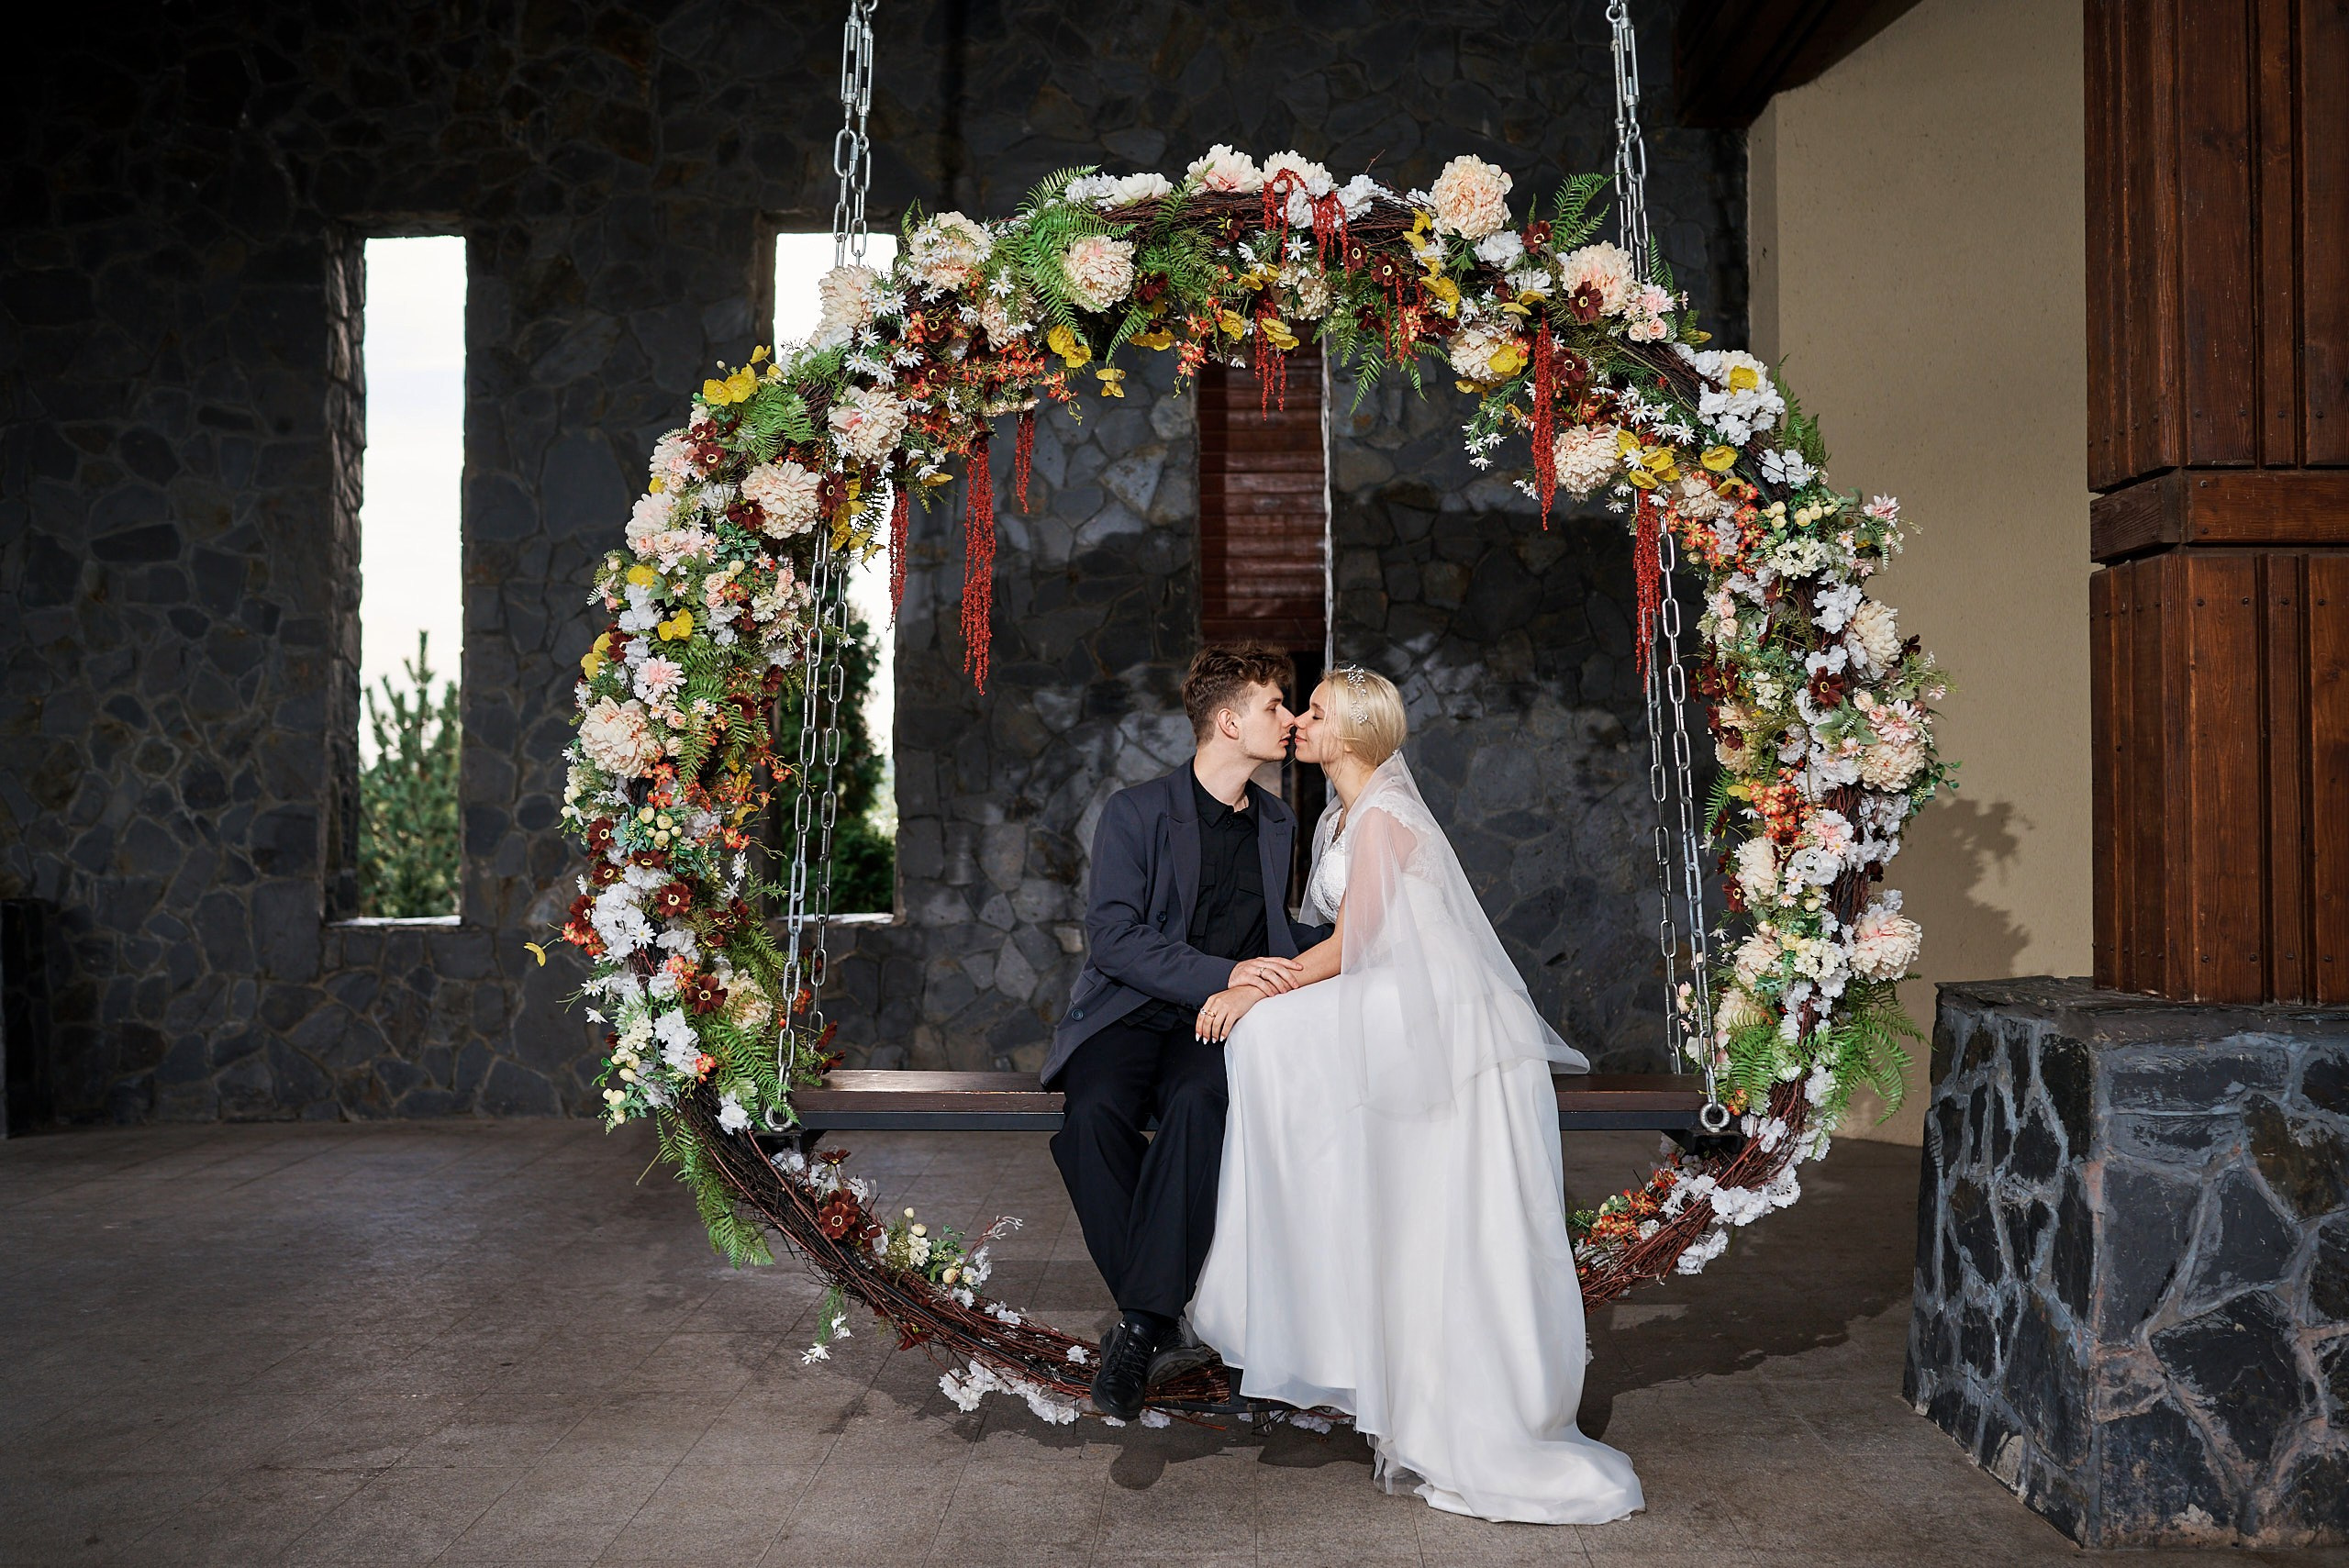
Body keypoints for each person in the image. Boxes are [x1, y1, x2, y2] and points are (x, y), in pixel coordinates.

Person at [1188, 666, 1645, 1526]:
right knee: (1273, 1041)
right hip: (1393, 991)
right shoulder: (1342, 812)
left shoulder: (1387, 818)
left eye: (1314, 714)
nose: (1299, 725)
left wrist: (1255, 989)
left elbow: (1354, 940)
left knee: (1267, 1033)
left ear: (1353, 735)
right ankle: (1310, 1241)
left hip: (1424, 1006)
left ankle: (1310, 1248)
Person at [1042, 644, 1331, 1421]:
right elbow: (1114, 937)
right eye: (1276, 704)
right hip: (1128, 1010)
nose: (1290, 719)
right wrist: (1223, 973)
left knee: (1201, 1108)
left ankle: (1141, 1326)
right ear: (1230, 720)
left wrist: (1363, 939)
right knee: (1092, 1115)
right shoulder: (1136, 811)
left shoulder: (1277, 820)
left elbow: (1277, 931)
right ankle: (1166, 1311)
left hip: (1217, 1026)